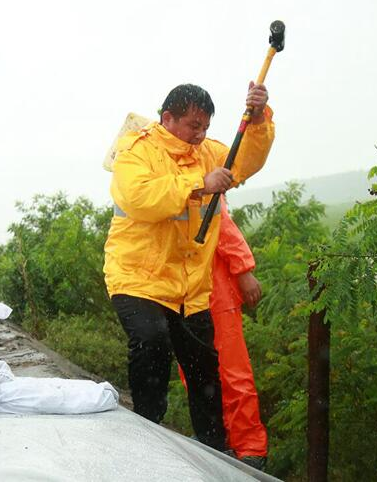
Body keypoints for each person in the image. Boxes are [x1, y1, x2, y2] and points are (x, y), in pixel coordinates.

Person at [103, 82, 275, 451]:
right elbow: (139, 197)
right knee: (151, 343)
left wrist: (258, 119)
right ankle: (145, 432)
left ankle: (214, 448)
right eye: (194, 126)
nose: (201, 135)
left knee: (203, 370)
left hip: (189, 288)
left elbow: (245, 160)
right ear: (168, 118)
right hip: (136, 277)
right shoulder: (135, 150)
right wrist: (199, 184)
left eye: (206, 128)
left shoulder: (207, 152)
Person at [179, 196, 268, 469]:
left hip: (215, 292)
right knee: (196, 375)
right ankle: (218, 441)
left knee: (232, 373)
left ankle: (250, 447)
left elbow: (222, 225)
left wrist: (243, 270)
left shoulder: (198, 173)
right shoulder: (162, 176)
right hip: (184, 295)